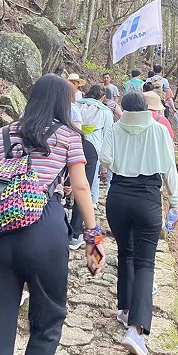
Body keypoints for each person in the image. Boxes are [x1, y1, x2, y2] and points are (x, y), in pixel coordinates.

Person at [0, 73, 104, 355]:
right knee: (48, 318)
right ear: (62, 102)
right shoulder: (69, 135)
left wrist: (11, 173)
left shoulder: (5, 133)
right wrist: (93, 236)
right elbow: (80, 187)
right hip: (45, 227)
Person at [100, 90, 178, 355]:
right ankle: (136, 330)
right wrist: (175, 202)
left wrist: (126, 156)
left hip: (119, 196)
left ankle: (124, 309)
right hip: (147, 197)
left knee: (125, 252)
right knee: (145, 263)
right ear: (146, 108)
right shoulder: (159, 131)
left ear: (124, 108)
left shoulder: (114, 128)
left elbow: (105, 159)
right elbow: (169, 168)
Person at [69, 85, 113, 250]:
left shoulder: (76, 105)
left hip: (70, 146)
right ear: (102, 97)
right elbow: (108, 136)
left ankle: (58, 223)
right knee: (83, 189)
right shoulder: (105, 112)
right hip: (92, 149)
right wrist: (104, 166)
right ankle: (75, 233)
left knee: (65, 186)